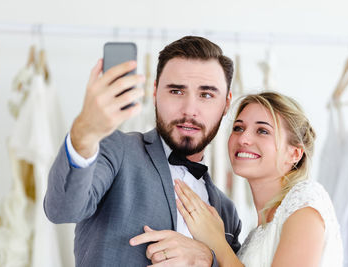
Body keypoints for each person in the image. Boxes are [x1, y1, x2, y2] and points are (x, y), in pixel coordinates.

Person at [44, 36, 242, 266]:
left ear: (227, 103)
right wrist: (83, 133)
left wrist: (207, 258)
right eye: (176, 91)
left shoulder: (227, 212)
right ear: (155, 92)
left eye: (206, 95)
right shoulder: (117, 150)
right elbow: (62, 209)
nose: (190, 110)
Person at [134, 92, 344, 266]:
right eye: (238, 128)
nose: (243, 138)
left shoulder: (305, 203)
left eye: (262, 131)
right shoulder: (255, 232)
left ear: (295, 154)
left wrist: (216, 243)